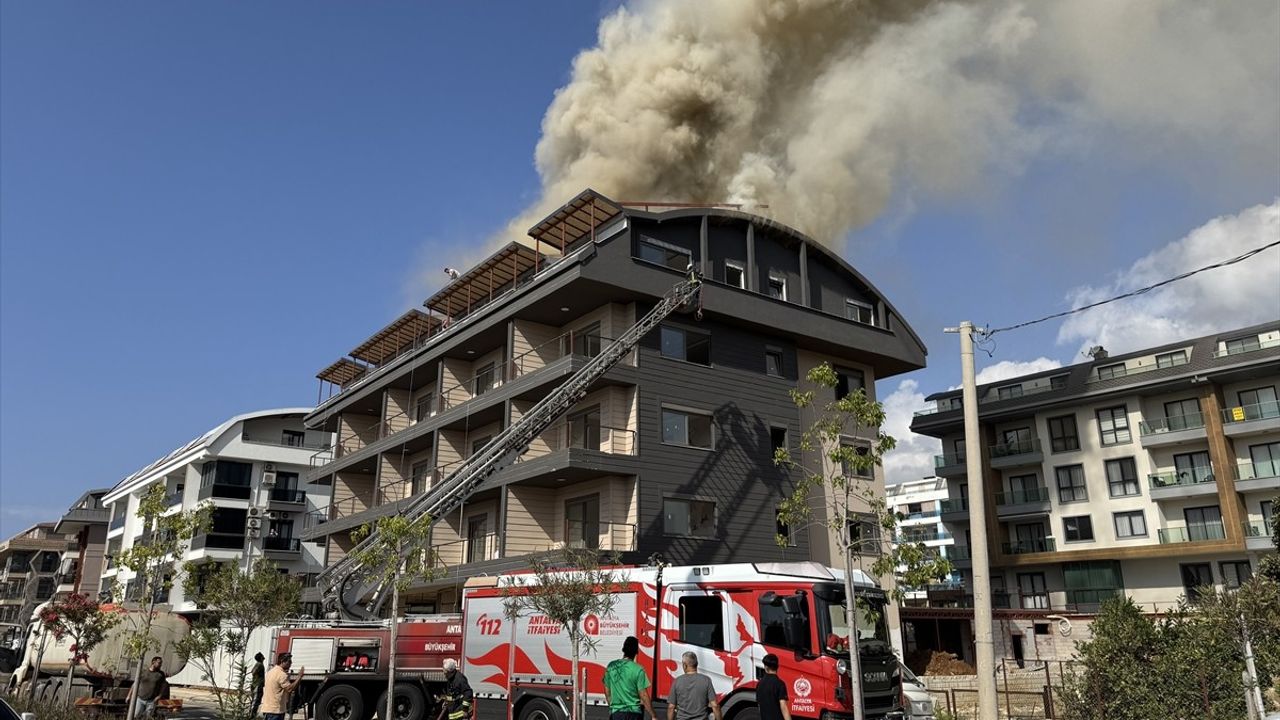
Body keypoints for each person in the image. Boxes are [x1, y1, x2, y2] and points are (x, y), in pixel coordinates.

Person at [603, 636, 655, 720]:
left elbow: (607, 691)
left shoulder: (611, 666)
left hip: (617, 713)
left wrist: (612, 707)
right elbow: (644, 695)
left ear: (623, 649)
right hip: (634, 713)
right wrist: (653, 715)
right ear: (636, 652)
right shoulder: (638, 669)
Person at [667, 652, 722, 720]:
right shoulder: (706, 680)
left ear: (684, 665)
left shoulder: (677, 681)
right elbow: (715, 705)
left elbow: (671, 707)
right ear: (697, 664)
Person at [260, 652, 306, 720]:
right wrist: (299, 677)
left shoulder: (270, 672)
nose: (291, 663)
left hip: (267, 709)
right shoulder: (281, 675)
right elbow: (290, 689)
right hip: (276, 711)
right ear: (282, 661)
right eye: (289, 661)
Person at [756, 654, 790, 720]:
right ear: (777, 666)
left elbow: (759, 706)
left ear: (766, 667)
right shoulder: (780, 684)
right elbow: (783, 707)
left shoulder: (759, 684)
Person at [250, 652, 266, 716]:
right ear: (261, 658)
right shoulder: (259, 664)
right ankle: (252, 714)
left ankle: (253, 713)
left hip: (257, 684)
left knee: (257, 700)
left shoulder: (258, 664)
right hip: (258, 685)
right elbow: (253, 672)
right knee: (256, 700)